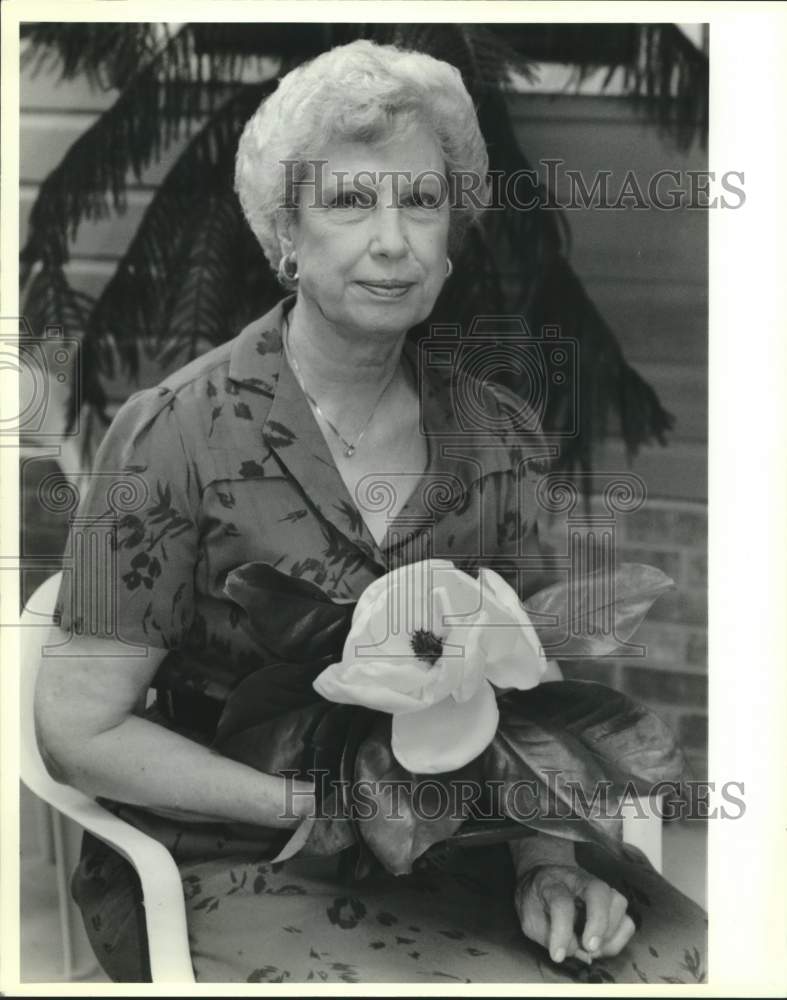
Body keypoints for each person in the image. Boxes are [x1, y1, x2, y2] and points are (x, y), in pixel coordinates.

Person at [35, 40, 706, 984]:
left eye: (421, 202)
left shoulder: (496, 431)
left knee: (676, 961)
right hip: (236, 850)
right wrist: (305, 804)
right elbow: (78, 731)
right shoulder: (170, 433)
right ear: (285, 235)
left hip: (462, 837)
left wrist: (545, 860)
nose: (392, 239)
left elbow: (523, 682)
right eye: (350, 202)